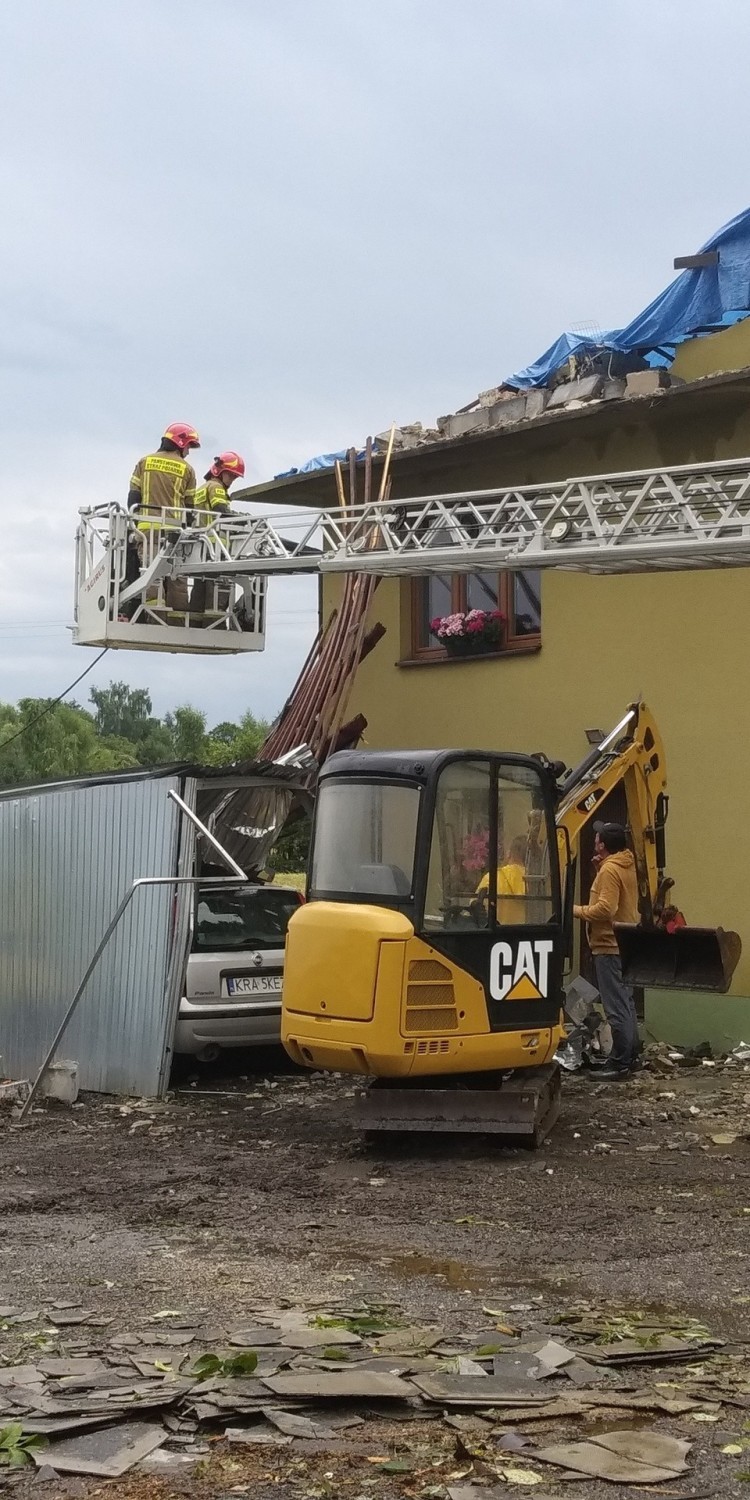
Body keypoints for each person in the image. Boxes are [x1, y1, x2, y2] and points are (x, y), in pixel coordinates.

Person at [573, 821, 639, 1079]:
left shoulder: (610, 870)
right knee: (627, 1002)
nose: (594, 841)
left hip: (609, 945)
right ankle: (630, 1056)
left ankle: (619, 1063)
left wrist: (576, 911)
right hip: (624, 942)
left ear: (603, 844)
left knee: (615, 1006)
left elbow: (606, 909)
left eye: (597, 838)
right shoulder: (626, 863)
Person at [124, 422, 201, 617]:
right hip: (176, 533)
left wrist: (135, 524)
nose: (188, 452)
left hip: (147, 530)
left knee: (151, 576)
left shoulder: (144, 462)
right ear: (180, 443)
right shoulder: (187, 470)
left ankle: (155, 617)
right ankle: (177, 620)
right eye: (188, 447)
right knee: (178, 578)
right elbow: (190, 506)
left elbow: (133, 497)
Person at [189, 451, 246, 620]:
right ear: (219, 471)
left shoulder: (202, 488)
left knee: (199, 590)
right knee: (218, 593)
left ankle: (195, 625)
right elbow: (222, 512)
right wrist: (243, 519)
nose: (232, 480)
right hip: (216, 548)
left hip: (201, 549)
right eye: (231, 475)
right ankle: (215, 624)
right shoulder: (216, 488)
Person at [476, 835, 528, 922]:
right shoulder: (534, 880)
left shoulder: (491, 878)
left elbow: (475, 908)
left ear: (508, 854)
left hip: (499, 933)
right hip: (529, 933)